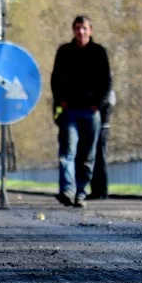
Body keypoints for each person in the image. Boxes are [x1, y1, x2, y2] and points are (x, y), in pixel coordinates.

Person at [51, 15, 111, 207]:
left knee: (87, 155)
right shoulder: (64, 52)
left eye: (84, 28)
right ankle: (67, 191)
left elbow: (106, 82)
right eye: (77, 28)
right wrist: (60, 102)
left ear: (90, 30)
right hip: (70, 111)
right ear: (73, 30)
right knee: (67, 153)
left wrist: (98, 105)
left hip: (91, 112)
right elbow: (55, 79)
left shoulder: (99, 52)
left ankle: (81, 192)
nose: (81, 32)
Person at [89, 88, 115, 200]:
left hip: (102, 126)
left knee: (100, 158)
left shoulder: (107, 93)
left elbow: (106, 109)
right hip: (98, 125)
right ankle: (96, 190)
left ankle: (102, 191)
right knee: (94, 158)